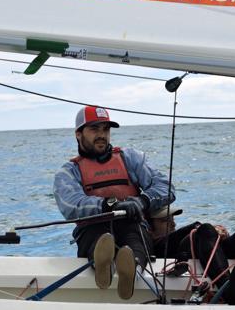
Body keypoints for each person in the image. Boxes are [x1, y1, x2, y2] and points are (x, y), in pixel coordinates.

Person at [54, 106, 175, 300]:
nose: (102, 135)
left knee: (135, 240)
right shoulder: (68, 172)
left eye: (106, 129)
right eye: (94, 129)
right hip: (93, 227)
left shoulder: (131, 158)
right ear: (78, 134)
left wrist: (142, 201)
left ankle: (132, 269)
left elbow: (165, 187)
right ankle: (103, 265)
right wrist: (110, 204)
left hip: (132, 222)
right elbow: (71, 205)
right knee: (100, 239)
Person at [150, 206, 235, 305]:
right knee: (206, 229)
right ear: (149, 227)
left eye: (172, 219)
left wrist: (219, 233)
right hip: (195, 252)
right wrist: (204, 228)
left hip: (209, 252)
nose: (172, 224)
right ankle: (229, 290)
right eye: (165, 220)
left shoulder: (178, 234)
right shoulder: (156, 243)